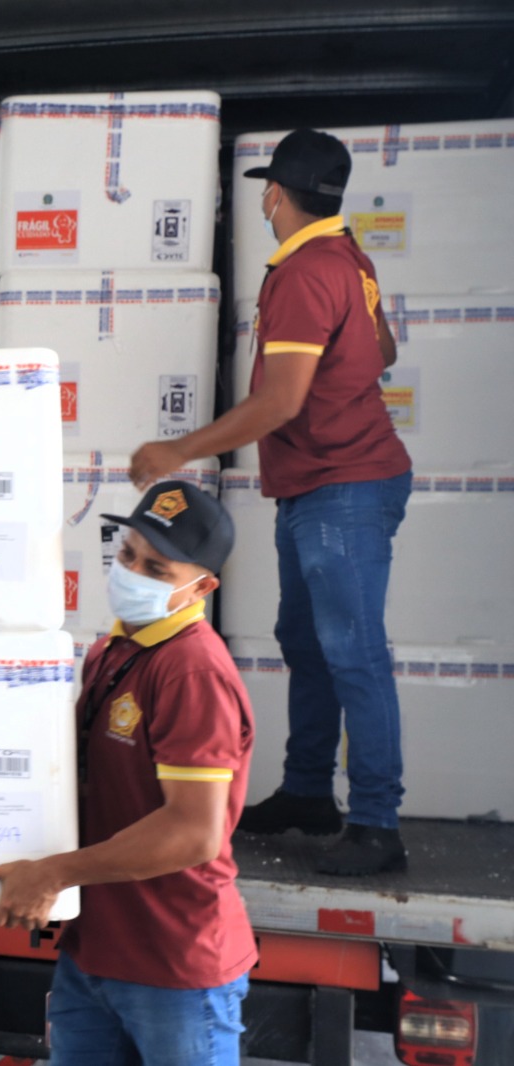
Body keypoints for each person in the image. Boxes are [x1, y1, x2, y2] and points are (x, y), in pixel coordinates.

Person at [130, 128, 411, 877]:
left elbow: (280, 402)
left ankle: (377, 824)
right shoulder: (346, 258)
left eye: (265, 192)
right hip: (320, 483)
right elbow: (383, 351)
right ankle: (309, 793)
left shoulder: (305, 273)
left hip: (344, 486)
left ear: (276, 194)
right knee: (308, 642)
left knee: (353, 651)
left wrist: (177, 452)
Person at [0, 481, 254, 1065]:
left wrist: (51, 873)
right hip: (95, 953)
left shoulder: (191, 671)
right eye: (128, 555)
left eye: (156, 568)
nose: (131, 573)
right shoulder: (111, 651)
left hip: (173, 966)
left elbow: (193, 832)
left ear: (202, 588)